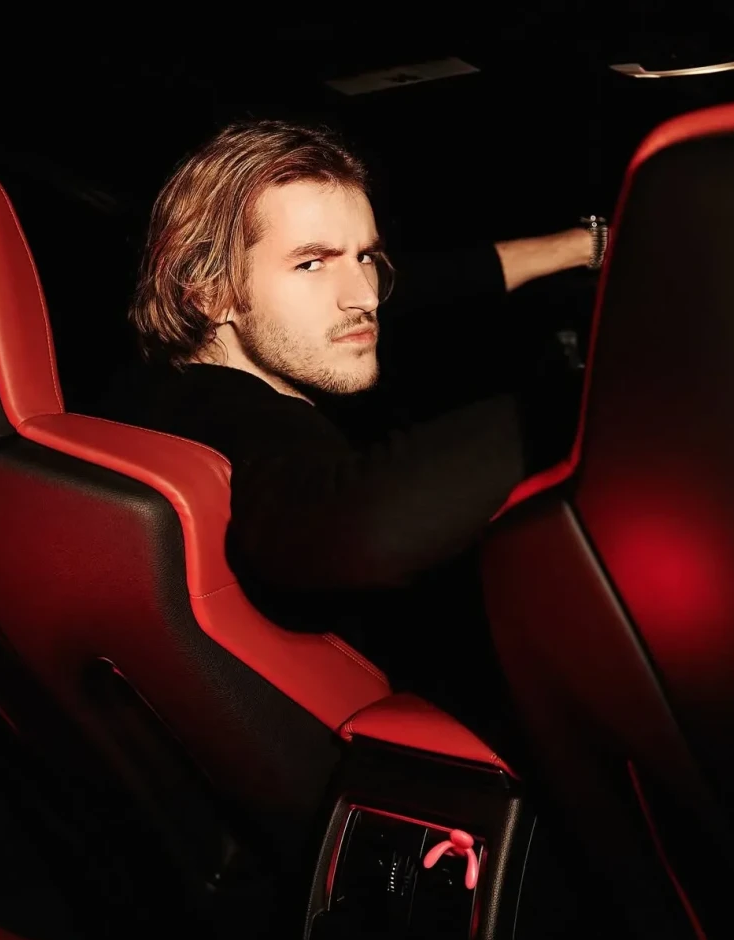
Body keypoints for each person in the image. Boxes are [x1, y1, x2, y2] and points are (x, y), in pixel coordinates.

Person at [109, 119, 602, 710]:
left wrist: (583, 247)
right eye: (311, 263)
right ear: (209, 291)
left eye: (366, 256)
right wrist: (593, 402)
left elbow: (433, 283)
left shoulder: (158, 389)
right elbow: (347, 531)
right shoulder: (240, 416)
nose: (365, 296)